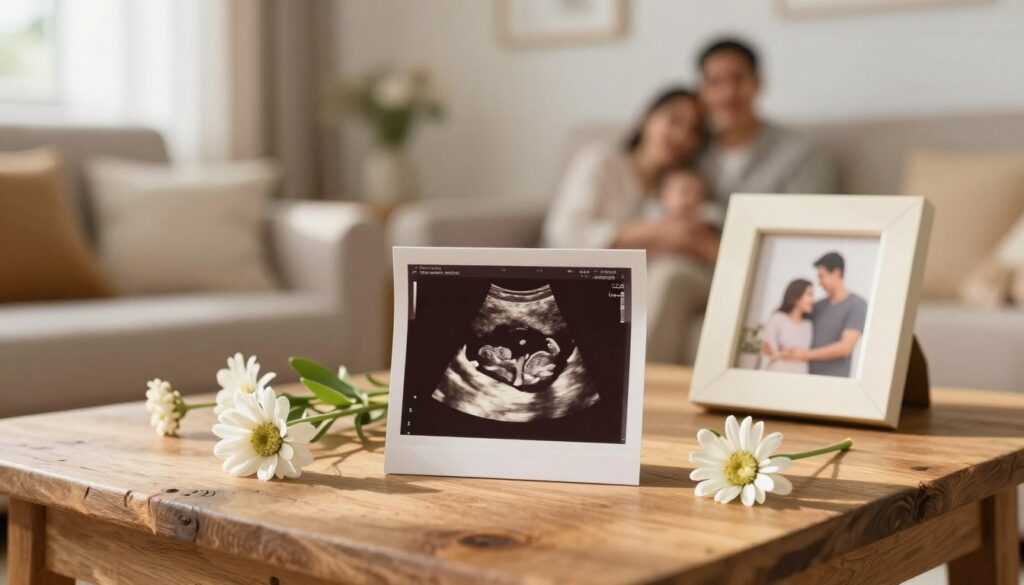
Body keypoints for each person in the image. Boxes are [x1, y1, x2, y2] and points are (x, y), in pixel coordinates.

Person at [542, 87, 718, 363]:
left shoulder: (687, 188)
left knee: (670, 275)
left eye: (694, 131)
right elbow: (565, 234)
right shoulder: (602, 162)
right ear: (647, 118)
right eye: (674, 120)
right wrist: (660, 231)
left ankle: (641, 388)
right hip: (596, 279)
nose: (682, 136)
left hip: (657, 279)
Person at [695, 38, 839, 210]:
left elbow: (808, 226)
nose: (728, 94)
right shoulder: (691, 151)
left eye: (738, 79)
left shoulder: (803, 154)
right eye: (715, 82)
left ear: (758, 83)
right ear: (701, 91)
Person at [782, 252, 868, 377]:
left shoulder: (857, 305)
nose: (819, 282)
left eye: (822, 276)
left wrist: (804, 355)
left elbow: (845, 348)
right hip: (805, 377)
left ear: (837, 273)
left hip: (834, 382)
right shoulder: (817, 306)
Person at [759, 279, 814, 374]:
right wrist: (786, 354)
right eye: (809, 294)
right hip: (778, 373)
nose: (812, 300)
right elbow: (767, 352)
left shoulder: (808, 325)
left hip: (800, 375)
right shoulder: (778, 318)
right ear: (796, 296)